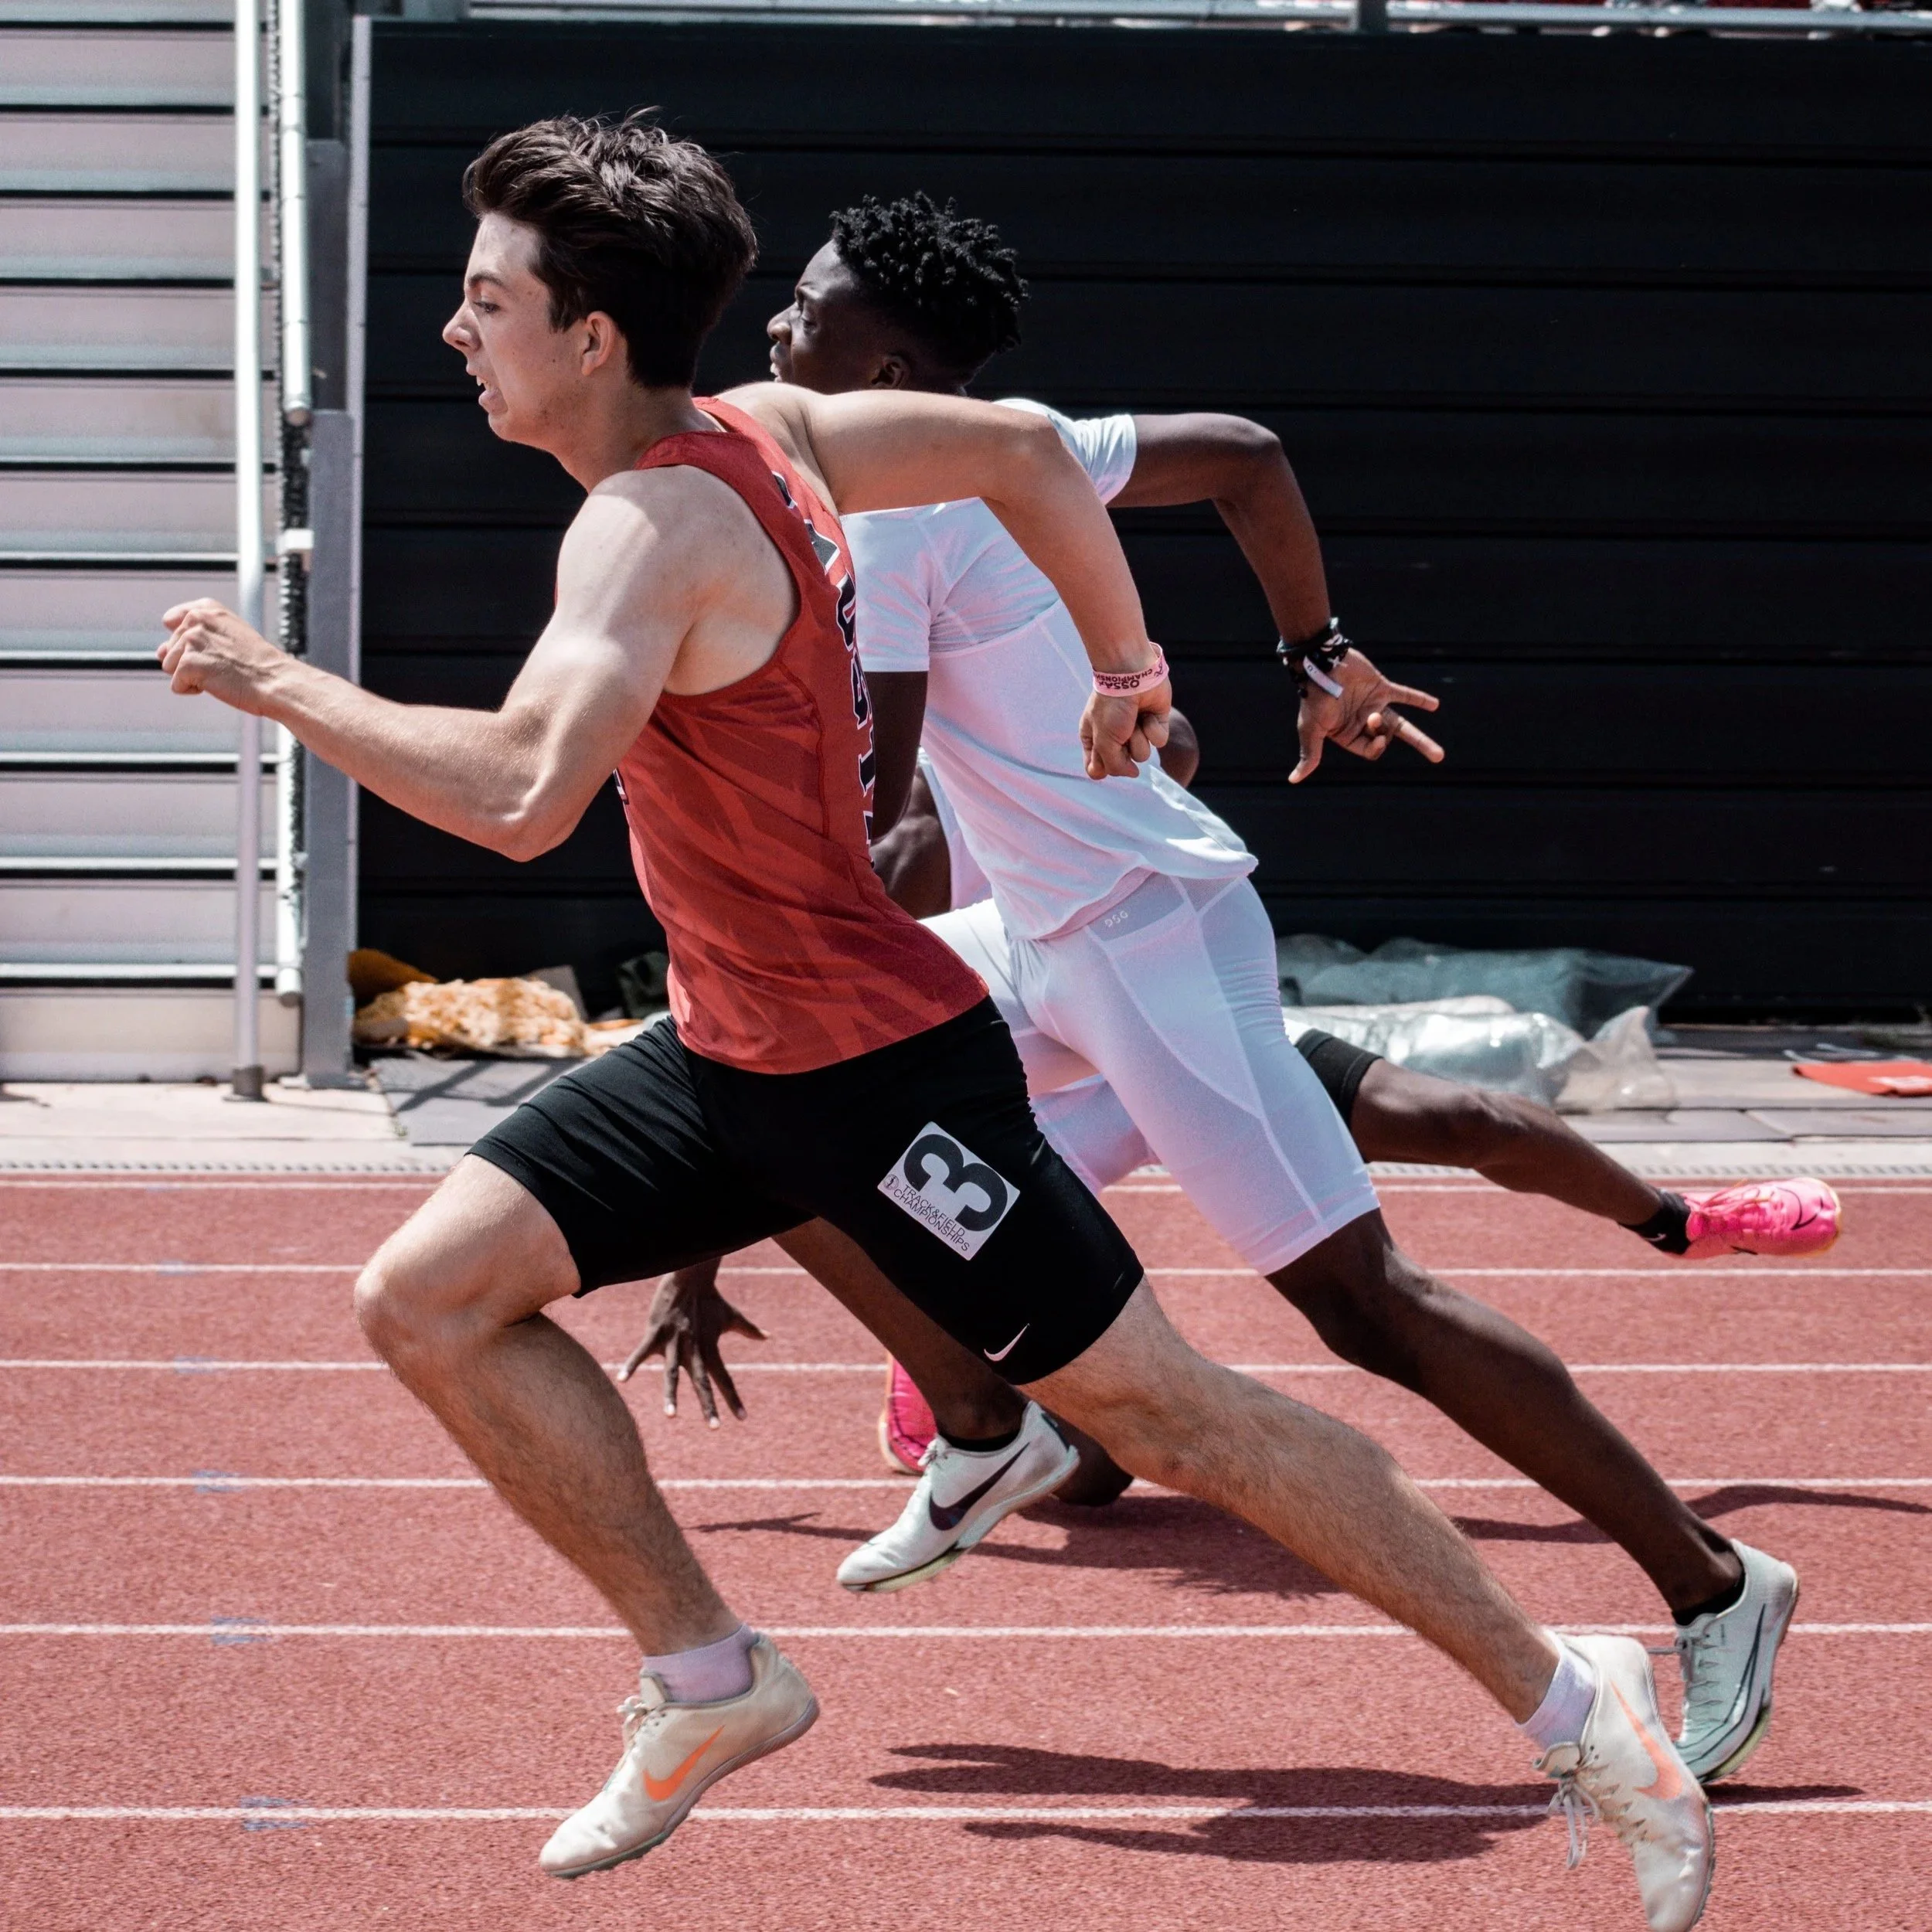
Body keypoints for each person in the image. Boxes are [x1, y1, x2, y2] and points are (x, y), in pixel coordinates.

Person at [160, 120, 1713, 1927]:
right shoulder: (780, 426)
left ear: (590, 337)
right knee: (425, 1294)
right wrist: (1126, 666)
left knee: (1173, 1411)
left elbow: (519, 789)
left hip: (874, 1069)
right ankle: (712, 1674)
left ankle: (1569, 1699)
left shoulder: (647, 526)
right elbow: (1027, 452)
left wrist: (270, 678)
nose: (455, 330)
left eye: (485, 301)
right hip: (723, 1045)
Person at [628, 193, 1800, 1816]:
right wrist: (1313, 646)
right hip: (1041, 929)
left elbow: (884, 815)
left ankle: (1710, 1580)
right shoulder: (1008, 439)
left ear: (882, 359)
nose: (773, 331)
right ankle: (988, 1422)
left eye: (802, 313)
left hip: (1140, 935)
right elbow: (1244, 452)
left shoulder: (886, 514)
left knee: (1360, 1299)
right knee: (737, 1091)